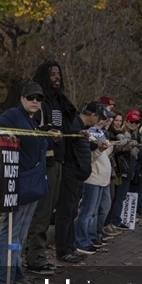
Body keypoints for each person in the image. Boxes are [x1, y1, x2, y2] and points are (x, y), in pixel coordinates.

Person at [0, 83, 52, 284]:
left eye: (39, 98)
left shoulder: (33, 121)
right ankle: (2, 277)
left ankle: (16, 271)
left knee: (21, 231)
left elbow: (39, 145)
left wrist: (52, 137)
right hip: (16, 182)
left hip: (32, 184)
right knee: (10, 230)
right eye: (30, 97)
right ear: (22, 97)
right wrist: (5, 135)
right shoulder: (12, 115)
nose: (35, 101)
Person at [23, 61, 73, 275]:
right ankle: (35, 258)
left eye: (58, 73)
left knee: (49, 209)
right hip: (46, 162)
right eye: (53, 74)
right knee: (41, 213)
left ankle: (36, 254)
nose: (57, 77)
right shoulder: (40, 100)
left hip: (60, 160)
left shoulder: (59, 102)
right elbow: (34, 129)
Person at [54, 101, 95, 263]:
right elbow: (68, 137)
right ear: (93, 115)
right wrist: (78, 132)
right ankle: (63, 250)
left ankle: (70, 246)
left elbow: (82, 146)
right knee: (65, 212)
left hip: (77, 174)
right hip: (70, 172)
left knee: (72, 212)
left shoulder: (82, 128)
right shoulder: (73, 123)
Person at [75, 103, 113, 254]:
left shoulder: (102, 133)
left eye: (106, 119)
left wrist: (107, 146)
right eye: (103, 118)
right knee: (87, 212)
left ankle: (91, 236)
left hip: (103, 177)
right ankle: (81, 241)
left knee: (97, 210)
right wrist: (99, 149)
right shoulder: (88, 133)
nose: (106, 121)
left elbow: (106, 154)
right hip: (92, 178)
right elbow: (89, 157)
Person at [105, 111, 139, 234]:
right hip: (118, 170)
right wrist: (126, 146)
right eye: (116, 120)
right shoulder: (112, 134)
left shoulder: (126, 134)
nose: (118, 123)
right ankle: (113, 221)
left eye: (120, 120)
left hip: (126, 169)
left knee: (119, 197)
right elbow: (115, 150)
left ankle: (114, 220)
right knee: (116, 197)